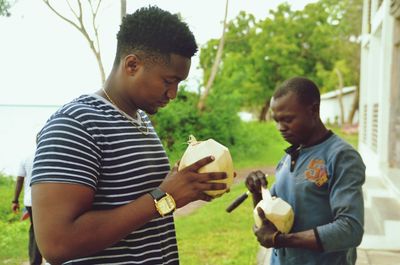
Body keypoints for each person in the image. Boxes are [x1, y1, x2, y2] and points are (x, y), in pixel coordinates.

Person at [31, 6, 228, 265]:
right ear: (132, 65)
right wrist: (164, 198)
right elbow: (57, 244)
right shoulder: (76, 124)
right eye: (168, 81)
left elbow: (141, 199)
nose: (173, 94)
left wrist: (183, 183)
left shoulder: (140, 119)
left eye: (179, 84)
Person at [245, 77, 365, 265]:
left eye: (288, 119)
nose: (280, 128)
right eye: (276, 120)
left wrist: (281, 240)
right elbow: (269, 218)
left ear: (313, 110)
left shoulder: (341, 157)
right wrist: (256, 192)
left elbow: (350, 229)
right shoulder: (288, 158)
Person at [12, 152, 43, 265]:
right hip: (47, 200)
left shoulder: (26, 158)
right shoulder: (50, 154)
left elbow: (20, 179)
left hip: (30, 201)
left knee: (35, 230)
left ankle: (35, 261)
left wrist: (15, 200)